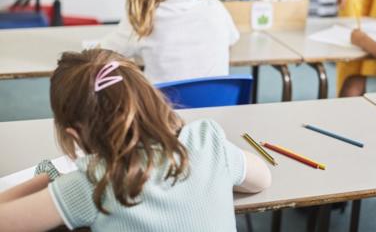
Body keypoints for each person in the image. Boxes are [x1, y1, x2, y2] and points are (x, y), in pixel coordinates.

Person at [0, 49, 271, 231]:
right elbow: (261, 180)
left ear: (74, 134)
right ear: (151, 97)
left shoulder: (93, 183)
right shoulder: (206, 141)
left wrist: (49, 177)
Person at [102, 0, 239, 83]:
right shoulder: (214, 7)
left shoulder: (144, 18)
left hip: (162, 110)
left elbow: (103, 52)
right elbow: (233, 39)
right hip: (218, 107)